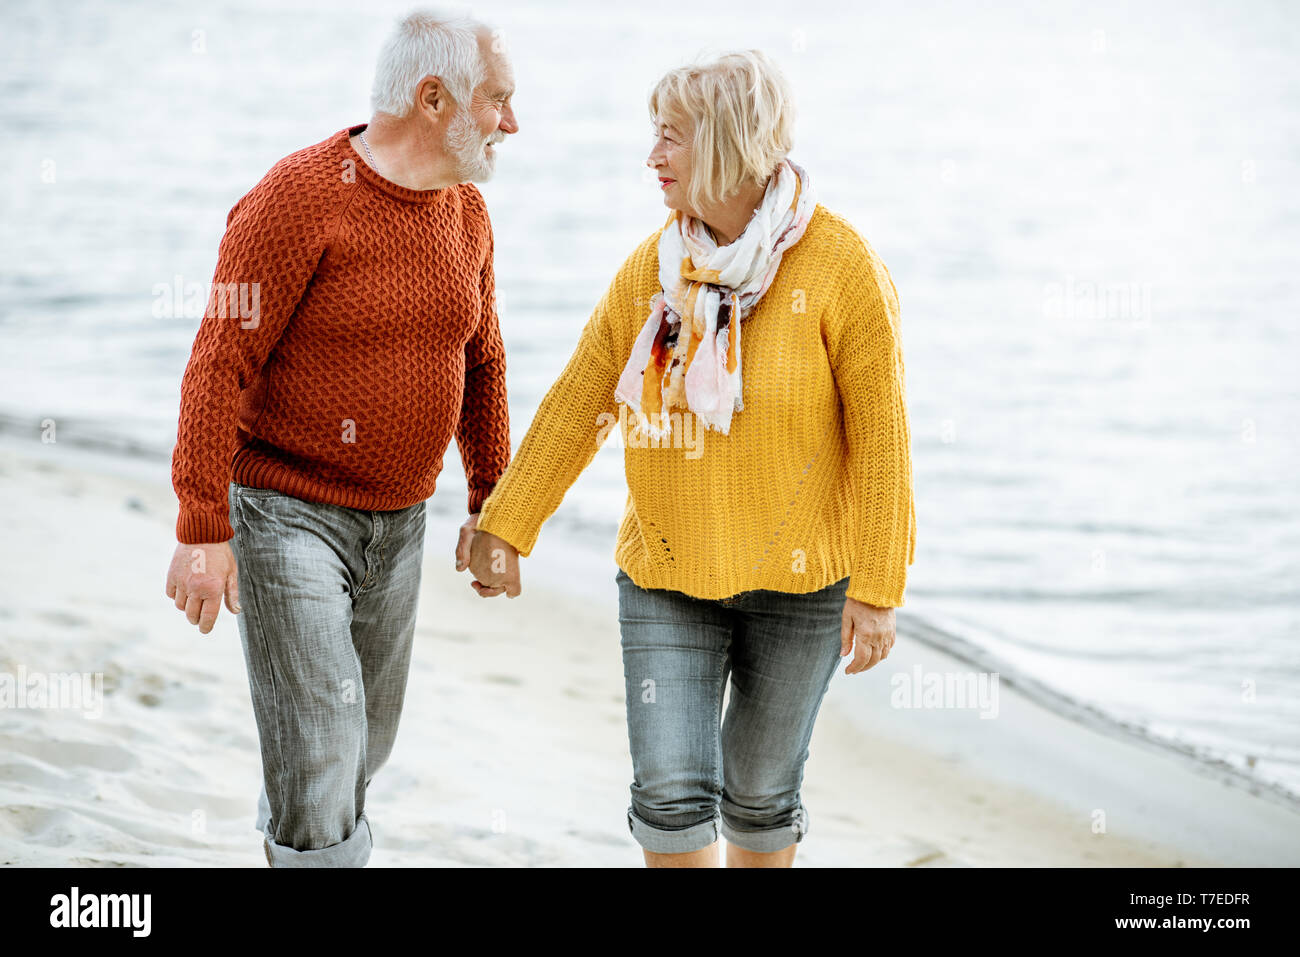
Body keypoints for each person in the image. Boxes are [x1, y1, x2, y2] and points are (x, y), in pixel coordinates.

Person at [465, 48, 916, 868]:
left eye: (670, 138)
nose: (652, 158)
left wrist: (879, 590)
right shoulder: (653, 269)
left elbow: (882, 438)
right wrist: (508, 524)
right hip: (668, 571)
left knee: (760, 796)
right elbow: (581, 402)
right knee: (670, 795)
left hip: (804, 580)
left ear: (729, 143)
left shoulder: (842, 267)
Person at [163, 10, 518, 867]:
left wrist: (492, 505)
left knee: (362, 743)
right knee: (322, 742)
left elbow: (485, 360)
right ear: (434, 100)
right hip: (287, 515)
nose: (512, 123)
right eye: (498, 101)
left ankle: (302, 828)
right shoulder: (299, 196)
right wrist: (202, 526)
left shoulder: (467, 214)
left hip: (401, 525)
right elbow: (219, 360)